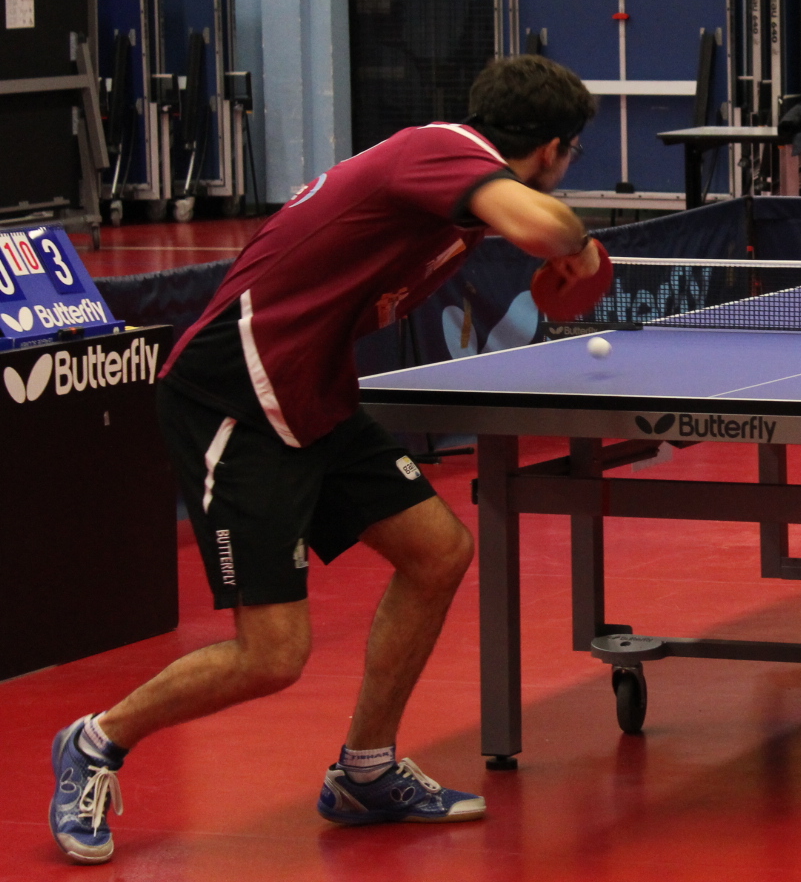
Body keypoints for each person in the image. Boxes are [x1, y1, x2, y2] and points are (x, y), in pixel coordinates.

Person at [49, 55, 604, 864]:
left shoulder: (455, 192)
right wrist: (580, 248)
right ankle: (94, 741)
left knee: (437, 551)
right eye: (571, 153)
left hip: (309, 391)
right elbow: (545, 228)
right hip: (235, 396)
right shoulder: (439, 149)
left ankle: (365, 772)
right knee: (271, 656)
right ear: (552, 148)